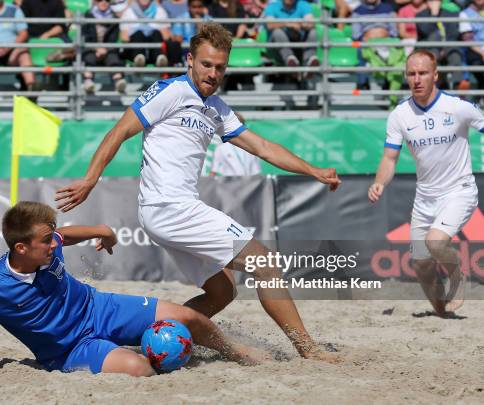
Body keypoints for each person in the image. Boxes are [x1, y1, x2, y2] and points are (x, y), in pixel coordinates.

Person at [56, 23, 341, 363]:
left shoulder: (217, 108)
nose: (213, 73)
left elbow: (263, 148)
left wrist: (314, 171)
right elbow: (119, 131)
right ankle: (308, 349)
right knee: (266, 264)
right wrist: (90, 179)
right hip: (170, 208)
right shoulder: (170, 91)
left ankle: (150, 339)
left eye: (220, 67)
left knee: (222, 291)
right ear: (190, 60)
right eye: (206, 64)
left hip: (168, 212)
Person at [0, 201, 262, 375]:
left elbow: (65, 234)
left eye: (52, 237)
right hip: (69, 350)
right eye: (46, 242)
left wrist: (103, 230)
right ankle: (138, 353)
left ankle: (236, 352)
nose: (54, 246)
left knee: (187, 316)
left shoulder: (46, 244)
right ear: (21, 249)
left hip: (99, 308)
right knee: (139, 369)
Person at [368, 50, 484, 316]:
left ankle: (457, 277)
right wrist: (379, 183)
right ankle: (442, 311)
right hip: (425, 199)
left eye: (422, 73)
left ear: (435, 75)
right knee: (420, 265)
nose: (417, 79)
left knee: (436, 242)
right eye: (411, 74)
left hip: (459, 191)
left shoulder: (458, 107)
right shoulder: (399, 115)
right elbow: (389, 158)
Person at [263, 0, 318, 80]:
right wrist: (288, 24)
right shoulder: (272, 6)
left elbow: (311, 22)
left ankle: (309, 65)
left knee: (313, 32)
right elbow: (270, 24)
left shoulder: (303, 4)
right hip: (279, 45)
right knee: (277, 32)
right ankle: (291, 62)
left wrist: (301, 25)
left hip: (299, 39)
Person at [210, 112, 261, 176]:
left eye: (241, 126)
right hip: (230, 184)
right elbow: (213, 172)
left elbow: (256, 172)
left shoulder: (251, 147)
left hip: (248, 184)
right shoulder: (221, 148)